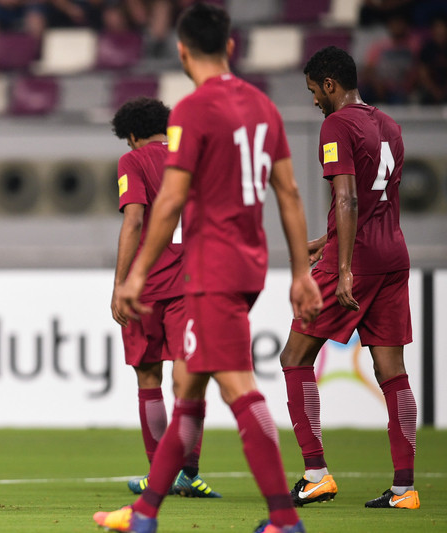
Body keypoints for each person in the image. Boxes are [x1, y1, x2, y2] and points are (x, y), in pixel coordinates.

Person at [93, 4, 322, 533]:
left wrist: (134, 276)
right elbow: (287, 192)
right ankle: (145, 513)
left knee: (240, 389)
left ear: (181, 51)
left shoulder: (192, 111)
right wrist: (300, 272)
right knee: (189, 388)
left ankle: (285, 522)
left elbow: (170, 200)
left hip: (212, 269)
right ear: (232, 48)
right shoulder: (265, 108)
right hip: (250, 264)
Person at [280, 46, 419, 510]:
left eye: (314, 91)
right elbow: (378, 198)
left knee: (294, 356)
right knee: (391, 371)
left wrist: (340, 268)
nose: (314, 101)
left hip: (356, 259)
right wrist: (326, 239)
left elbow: (348, 198)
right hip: (393, 255)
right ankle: (405, 490)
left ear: (330, 84)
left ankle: (316, 473)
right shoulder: (389, 125)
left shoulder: (336, 125)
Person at [110, 96, 220, 500]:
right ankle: (188, 473)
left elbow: (135, 219)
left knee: (149, 374)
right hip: (195, 282)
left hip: (148, 286)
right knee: (190, 379)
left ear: (134, 135)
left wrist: (121, 283)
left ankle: (160, 472)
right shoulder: (195, 156)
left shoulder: (134, 161)